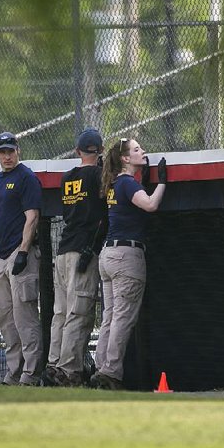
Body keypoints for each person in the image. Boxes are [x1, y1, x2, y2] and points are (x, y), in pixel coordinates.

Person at [91, 138, 167, 390]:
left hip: (108, 256)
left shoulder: (116, 183)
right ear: (124, 159)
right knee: (122, 317)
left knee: (110, 316)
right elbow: (150, 204)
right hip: (126, 256)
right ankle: (110, 372)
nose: (142, 152)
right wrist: (163, 182)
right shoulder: (125, 183)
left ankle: (101, 368)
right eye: (136, 150)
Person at [44, 128, 107, 387]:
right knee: (78, 312)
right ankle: (69, 370)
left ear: (77, 151)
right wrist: (91, 250)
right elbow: (103, 212)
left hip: (63, 251)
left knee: (60, 311)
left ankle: (53, 363)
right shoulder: (99, 175)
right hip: (84, 250)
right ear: (100, 151)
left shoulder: (67, 177)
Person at [0, 132, 43, 386]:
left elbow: (32, 217)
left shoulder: (26, 177)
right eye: (2, 152)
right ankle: (13, 371)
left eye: (10, 151)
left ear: (18, 150)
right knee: (5, 316)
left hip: (19, 253)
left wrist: (24, 251)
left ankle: (31, 372)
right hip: (0, 254)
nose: (7, 156)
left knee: (24, 315)